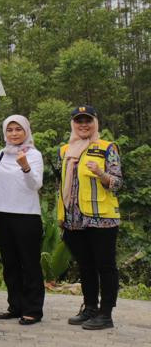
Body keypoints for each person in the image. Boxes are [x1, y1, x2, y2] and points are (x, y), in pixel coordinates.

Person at [58, 105, 124, 330]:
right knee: (85, 265)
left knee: (105, 266)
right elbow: (62, 186)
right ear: (73, 124)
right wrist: (61, 216)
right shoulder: (65, 150)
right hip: (74, 219)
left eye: (88, 121)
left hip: (101, 218)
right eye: (79, 121)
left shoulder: (107, 148)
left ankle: (106, 314)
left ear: (95, 123)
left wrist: (101, 173)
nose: (83, 125)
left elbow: (117, 183)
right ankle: (89, 308)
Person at [0, 115, 44, 325]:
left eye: (18, 129)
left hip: (26, 216)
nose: (14, 133)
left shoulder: (34, 154)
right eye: (9, 130)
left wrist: (25, 166)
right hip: (2, 215)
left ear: (26, 131)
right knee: (10, 264)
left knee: (29, 264)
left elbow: (36, 184)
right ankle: (15, 305)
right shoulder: (2, 154)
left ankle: (33, 309)